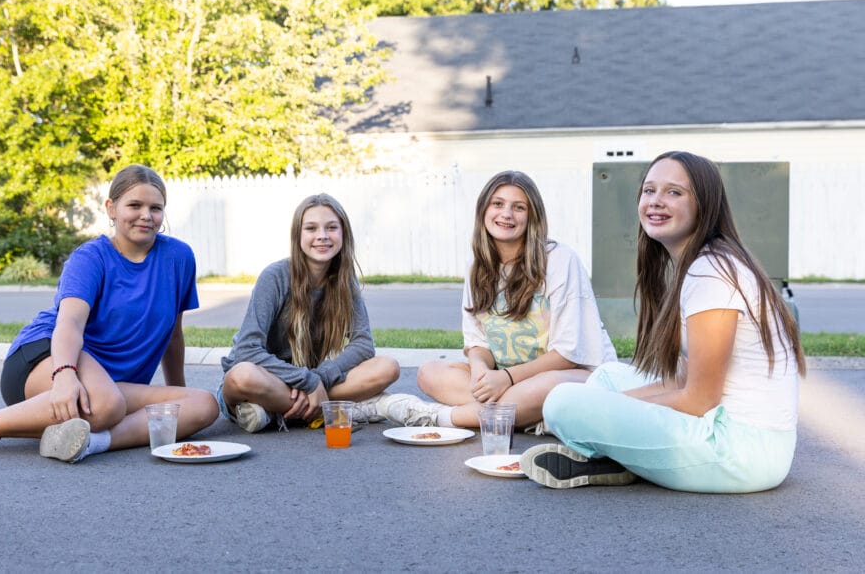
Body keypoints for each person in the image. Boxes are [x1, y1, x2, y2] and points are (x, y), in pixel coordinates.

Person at [0, 165, 219, 462]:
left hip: (110, 385)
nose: (146, 215)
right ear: (111, 208)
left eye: (156, 208)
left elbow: (173, 333)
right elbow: (68, 324)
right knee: (107, 405)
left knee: (203, 405)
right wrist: (65, 374)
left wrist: (177, 395)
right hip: (46, 357)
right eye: (135, 205)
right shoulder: (90, 258)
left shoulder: (178, 258)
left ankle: (92, 442)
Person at [521, 151, 805, 492]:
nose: (656, 202)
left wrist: (613, 410)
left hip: (740, 452)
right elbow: (684, 377)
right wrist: (612, 408)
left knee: (561, 402)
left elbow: (699, 399)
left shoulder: (711, 272)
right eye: (649, 190)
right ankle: (617, 459)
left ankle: (612, 452)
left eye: (674, 192)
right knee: (607, 376)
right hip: (737, 438)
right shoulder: (704, 263)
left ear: (705, 205)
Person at [375, 171, 617, 429]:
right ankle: (529, 416)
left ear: (532, 216)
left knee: (545, 390)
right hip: (508, 380)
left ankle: (435, 416)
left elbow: (569, 353)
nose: (506, 214)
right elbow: (477, 343)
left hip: (575, 376)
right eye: (498, 204)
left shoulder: (560, 260)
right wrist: (480, 370)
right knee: (430, 373)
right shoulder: (476, 266)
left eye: (519, 207)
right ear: (483, 210)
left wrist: (507, 378)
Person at [219, 193, 400, 432]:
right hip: (267, 377)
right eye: (311, 228)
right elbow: (246, 349)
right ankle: (334, 408)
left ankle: (278, 412)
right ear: (298, 235)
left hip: (311, 380)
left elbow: (363, 344)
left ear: (343, 234)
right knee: (241, 376)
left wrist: (320, 378)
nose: (322, 236)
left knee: (387, 367)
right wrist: (308, 381)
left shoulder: (345, 280)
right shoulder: (275, 276)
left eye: (332, 227)